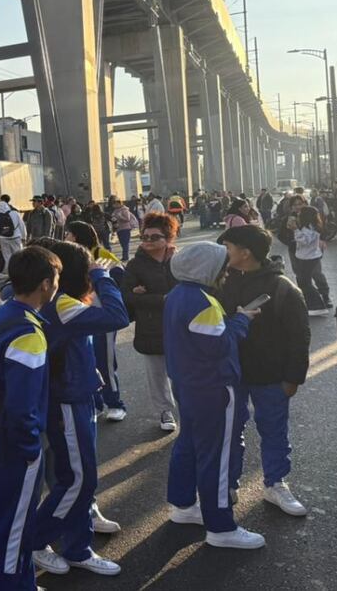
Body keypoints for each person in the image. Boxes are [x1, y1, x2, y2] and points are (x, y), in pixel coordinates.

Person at [30, 240, 128, 578]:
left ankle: (77, 547)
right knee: (77, 480)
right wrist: (103, 277)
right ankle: (34, 541)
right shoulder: (62, 304)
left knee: (79, 479)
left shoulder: (60, 302)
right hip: (67, 400)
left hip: (78, 395)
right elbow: (118, 316)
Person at [164, 241, 264, 549]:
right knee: (217, 456)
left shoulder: (178, 295)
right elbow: (220, 347)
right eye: (223, 266)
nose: (227, 272)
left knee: (189, 444)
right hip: (214, 388)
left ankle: (182, 506)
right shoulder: (202, 303)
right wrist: (242, 320)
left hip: (188, 384)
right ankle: (221, 527)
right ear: (207, 269)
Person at [0, 246, 61, 589]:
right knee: (15, 525)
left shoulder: (4, 313)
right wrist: (31, 449)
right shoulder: (29, 334)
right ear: (45, 284)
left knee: (8, 518)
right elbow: (22, 404)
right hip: (16, 444)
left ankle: (19, 580)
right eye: (56, 279)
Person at [217, 225, 311, 516]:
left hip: (271, 376)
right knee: (230, 431)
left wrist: (294, 377)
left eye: (228, 247)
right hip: (230, 374)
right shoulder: (219, 281)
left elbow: (300, 336)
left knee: (274, 431)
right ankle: (227, 484)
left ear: (245, 253)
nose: (224, 253)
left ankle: (275, 483)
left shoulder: (282, 287)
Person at [120, 213, 180, 431]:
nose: (148, 241)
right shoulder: (136, 265)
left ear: (168, 238)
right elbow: (127, 295)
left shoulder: (178, 260)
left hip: (178, 325)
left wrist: (145, 296)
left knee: (182, 368)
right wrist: (160, 299)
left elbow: (187, 288)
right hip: (150, 326)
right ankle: (164, 411)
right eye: (145, 236)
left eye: (155, 237)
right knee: (157, 372)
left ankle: (187, 405)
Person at [64, 222, 126, 423]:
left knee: (105, 361)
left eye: (69, 234)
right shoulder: (71, 257)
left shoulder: (101, 255)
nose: (66, 236)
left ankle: (115, 403)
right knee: (87, 360)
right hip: (81, 314)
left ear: (77, 235)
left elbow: (118, 278)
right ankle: (97, 403)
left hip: (103, 315)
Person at [293, 207, 332, 315]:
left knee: (305, 282)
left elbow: (304, 241)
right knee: (303, 281)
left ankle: (318, 306)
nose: (298, 216)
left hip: (309, 258)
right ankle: (310, 304)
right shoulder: (309, 226)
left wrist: (295, 230)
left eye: (300, 214)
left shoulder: (309, 227)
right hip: (306, 256)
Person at [0, 195, 26, 274]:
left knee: (7, 257)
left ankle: (9, 272)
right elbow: (22, 225)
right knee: (18, 255)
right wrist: (24, 237)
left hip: (3, 239)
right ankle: (20, 271)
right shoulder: (15, 213)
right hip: (16, 237)